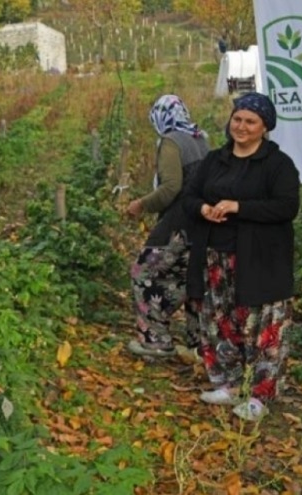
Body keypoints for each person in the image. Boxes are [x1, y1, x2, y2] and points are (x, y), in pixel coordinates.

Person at [181, 92, 300, 421]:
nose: (242, 126)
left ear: (265, 127)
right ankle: (230, 383)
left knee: (263, 326)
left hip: (260, 258)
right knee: (222, 321)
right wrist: (203, 207)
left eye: (251, 121)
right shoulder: (216, 160)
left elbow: (287, 207)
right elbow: (189, 195)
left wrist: (239, 207)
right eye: (237, 119)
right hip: (216, 257)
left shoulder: (278, 165)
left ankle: (261, 393)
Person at [126, 95, 209, 358]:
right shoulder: (201, 139)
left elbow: (171, 187)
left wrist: (141, 204)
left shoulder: (171, 141)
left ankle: (156, 339)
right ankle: (201, 346)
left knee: (143, 271)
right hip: (204, 222)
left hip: (179, 222)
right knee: (191, 278)